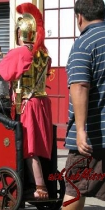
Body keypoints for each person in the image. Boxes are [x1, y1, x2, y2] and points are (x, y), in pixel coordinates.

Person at [0, 3, 53, 200]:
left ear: (20, 33)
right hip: (42, 104)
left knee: (28, 147)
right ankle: (39, 182)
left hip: (27, 104)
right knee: (38, 146)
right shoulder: (43, 53)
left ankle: (39, 187)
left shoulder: (20, 52)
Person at [62, 0, 105, 209]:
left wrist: (80, 130)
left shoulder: (85, 43)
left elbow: (79, 86)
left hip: (93, 141)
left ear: (79, 17)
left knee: (74, 189)